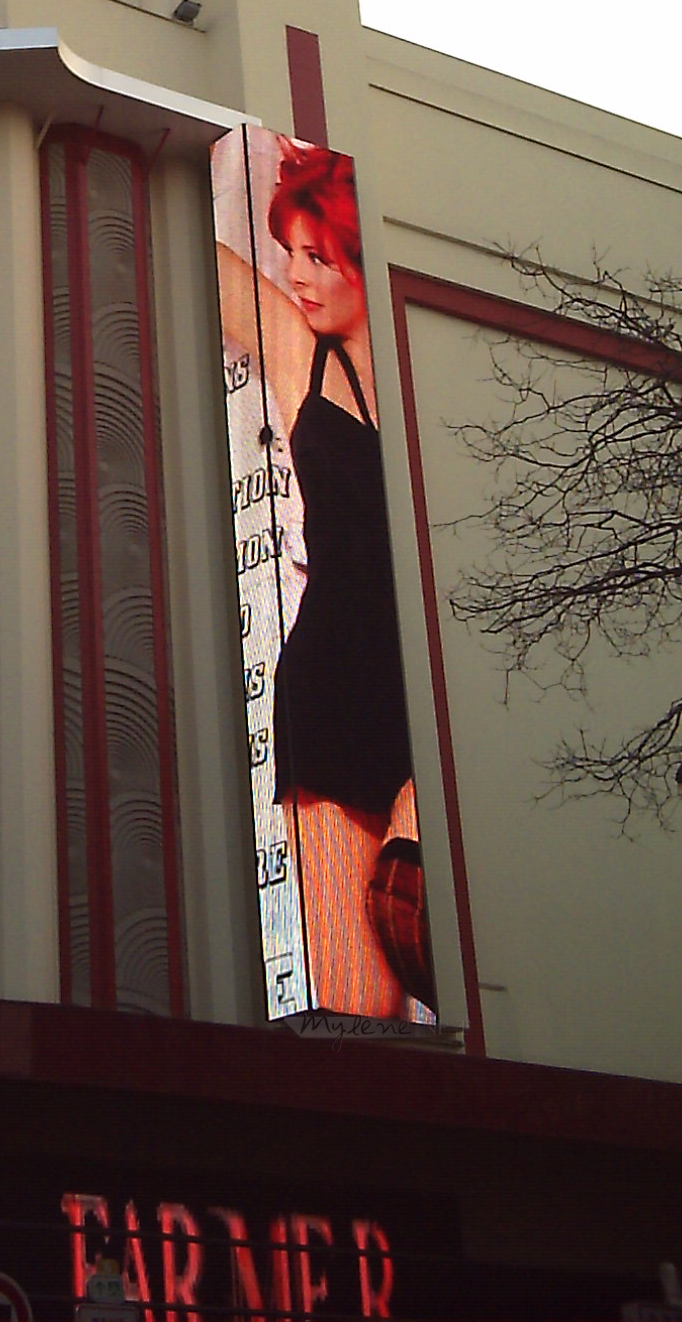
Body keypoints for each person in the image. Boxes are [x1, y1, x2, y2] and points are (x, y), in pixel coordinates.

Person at [216, 140, 432, 1017]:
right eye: (291, 256)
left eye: (320, 257)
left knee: (431, 924)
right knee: (359, 1006)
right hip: (332, 684)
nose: (299, 277)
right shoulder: (302, 350)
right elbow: (193, 245)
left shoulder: (436, 369)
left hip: (428, 698)